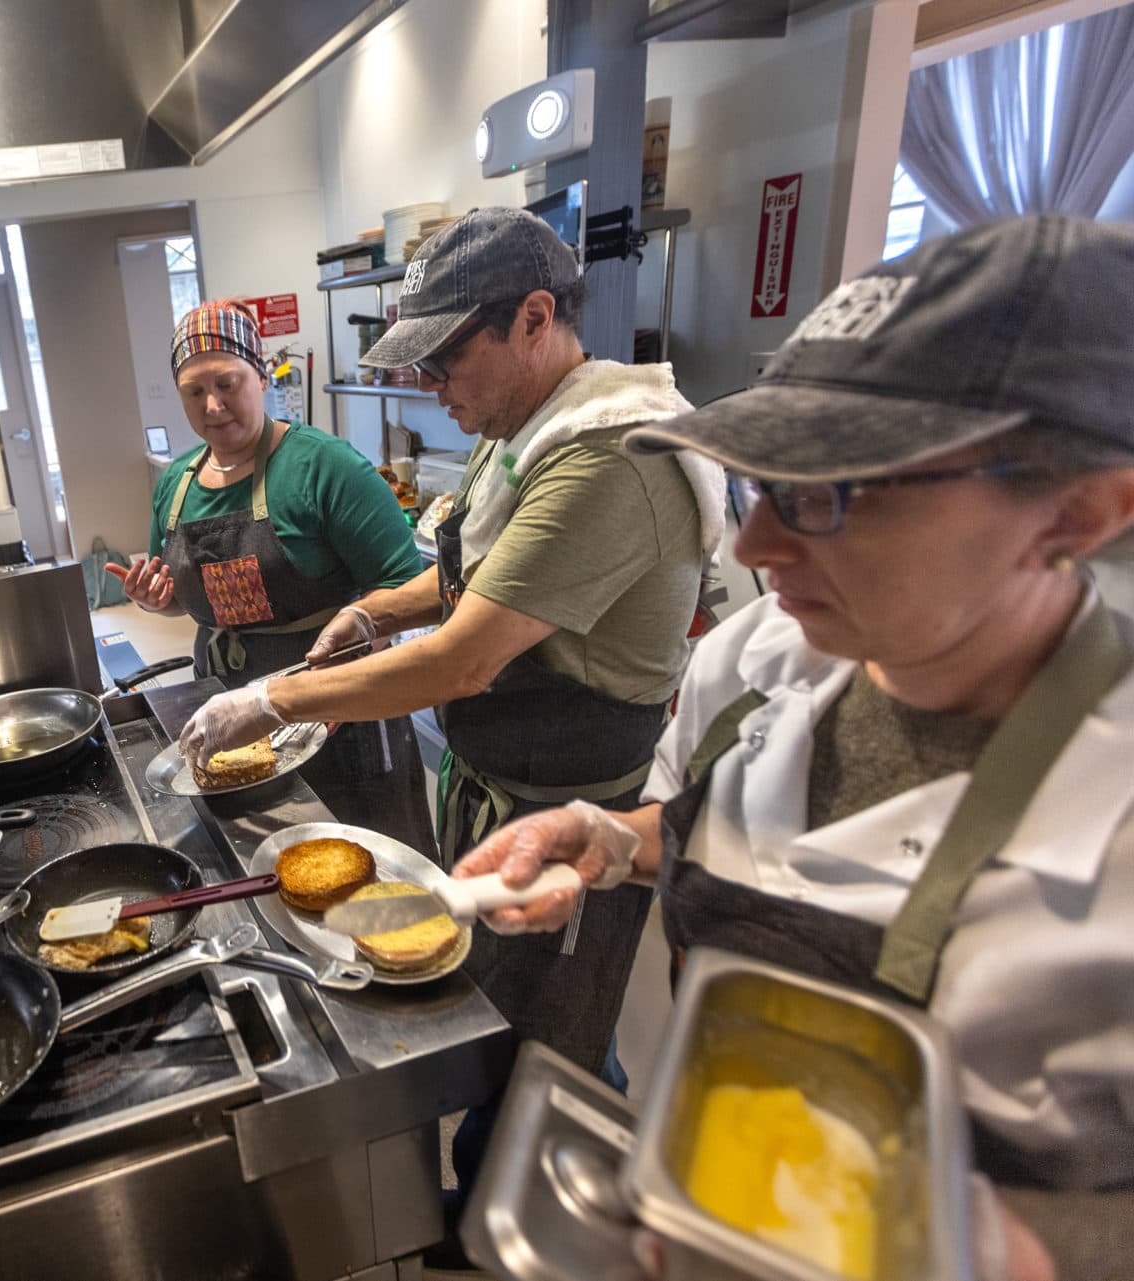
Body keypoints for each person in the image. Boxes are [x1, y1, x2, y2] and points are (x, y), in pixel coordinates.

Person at [460, 215, 1134, 1281]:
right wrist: (618, 840)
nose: (757, 544)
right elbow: (708, 828)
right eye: (762, 483)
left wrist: (1008, 1250)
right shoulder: (752, 661)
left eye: (827, 495)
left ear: (1080, 511)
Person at [176, 210, 724, 1109]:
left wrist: (276, 699)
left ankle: (523, 1222)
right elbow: (469, 577)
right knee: (498, 1013)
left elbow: (463, 658)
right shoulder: (520, 430)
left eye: (445, 359)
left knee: (549, 1052)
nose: (430, 384)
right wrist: (370, 607)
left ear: (535, 319)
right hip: (497, 779)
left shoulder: (607, 457)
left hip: (568, 808)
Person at [107, 299, 437, 856]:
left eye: (228, 382)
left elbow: (405, 590)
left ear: (260, 377)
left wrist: (331, 687)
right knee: (259, 864)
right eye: (194, 390)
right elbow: (189, 599)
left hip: (336, 715)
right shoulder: (176, 485)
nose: (213, 405)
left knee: (370, 878)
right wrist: (158, 599)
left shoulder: (325, 468)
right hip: (222, 705)